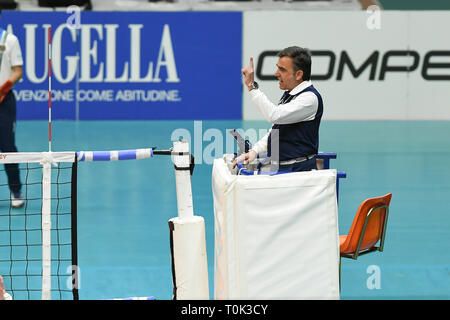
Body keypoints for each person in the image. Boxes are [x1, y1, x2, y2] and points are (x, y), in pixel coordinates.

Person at [233, 46, 323, 172]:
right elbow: (276, 131)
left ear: (299, 74)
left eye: (282, 69)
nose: (276, 73)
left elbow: (273, 115)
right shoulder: (290, 94)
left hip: (297, 172)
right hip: (282, 167)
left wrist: (251, 86)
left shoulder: (309, 99)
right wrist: (255, 151)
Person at [0, 9, 24, 208]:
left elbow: (18, 72)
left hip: (4, 101)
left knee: (8, 147)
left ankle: (16, 189)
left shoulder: (10, 40)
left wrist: (2, 90)